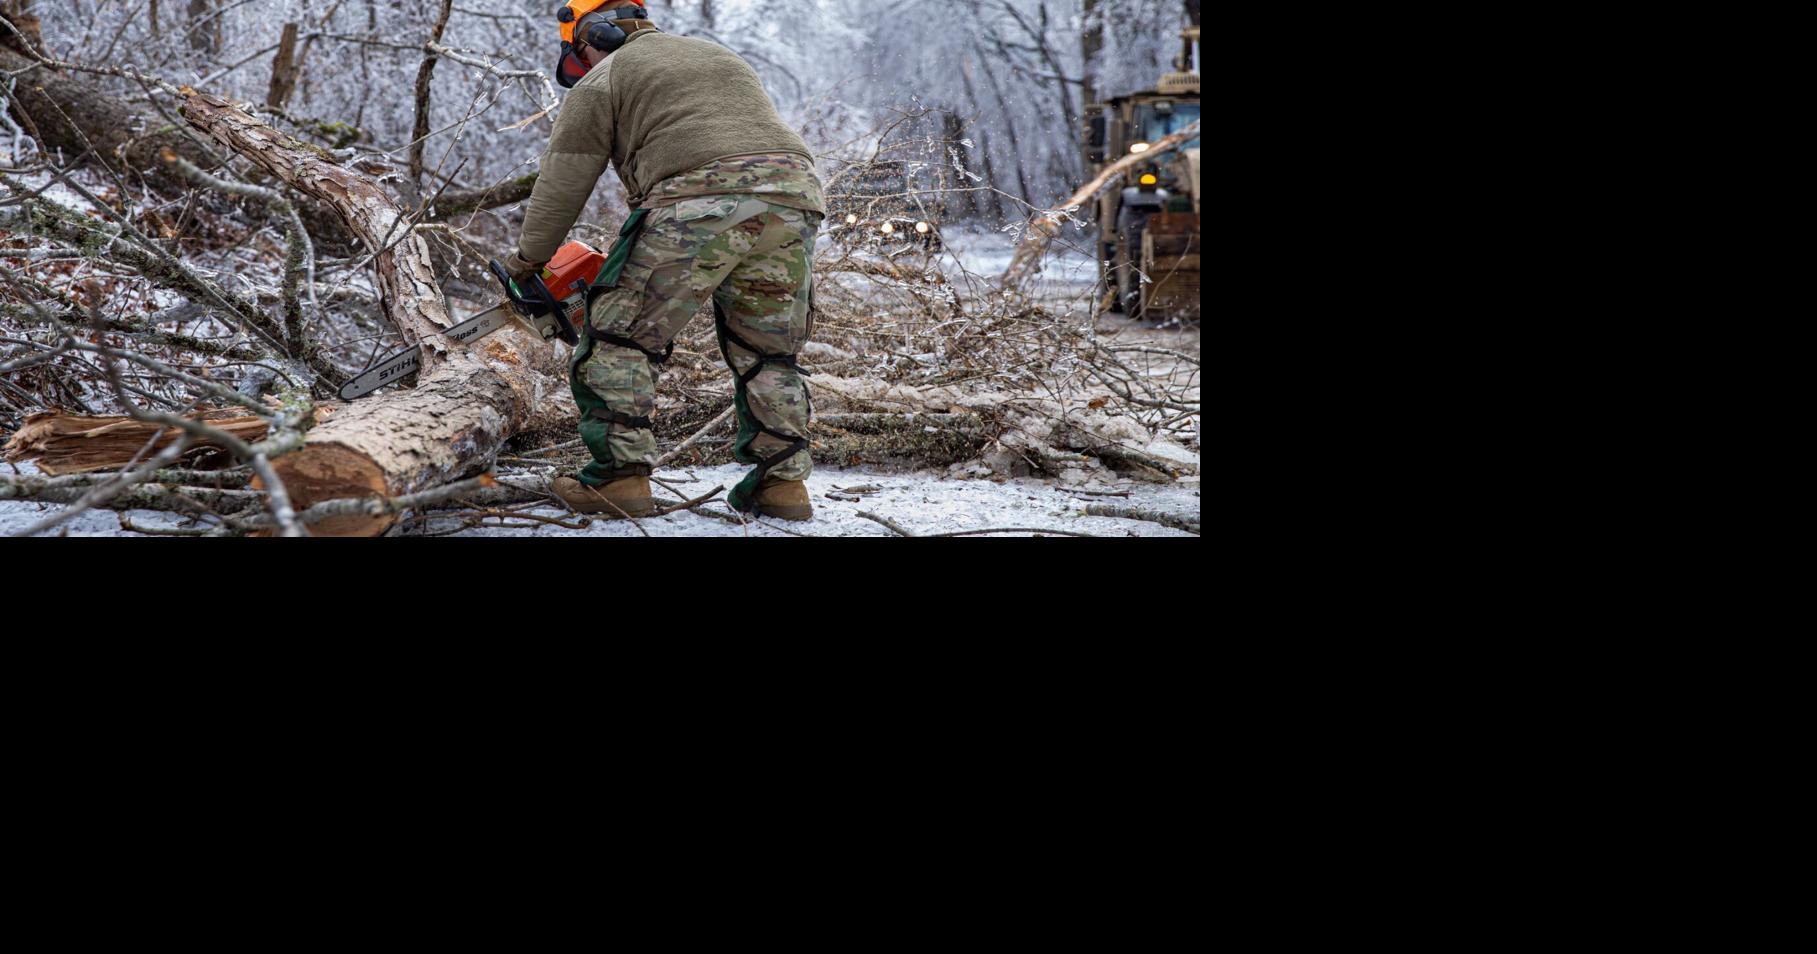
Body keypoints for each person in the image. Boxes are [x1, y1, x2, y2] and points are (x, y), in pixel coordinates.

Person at [504, 0, 824, 520]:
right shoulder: (717, 56)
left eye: (579, 54)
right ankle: (783, 486)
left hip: (699, 195)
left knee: (617, 338)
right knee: (768, 350)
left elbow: (563, 182)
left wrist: (527, 262)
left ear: (595, 37)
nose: (582, 67)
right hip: (793, 193)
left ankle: (620, 480)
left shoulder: (604, 78)